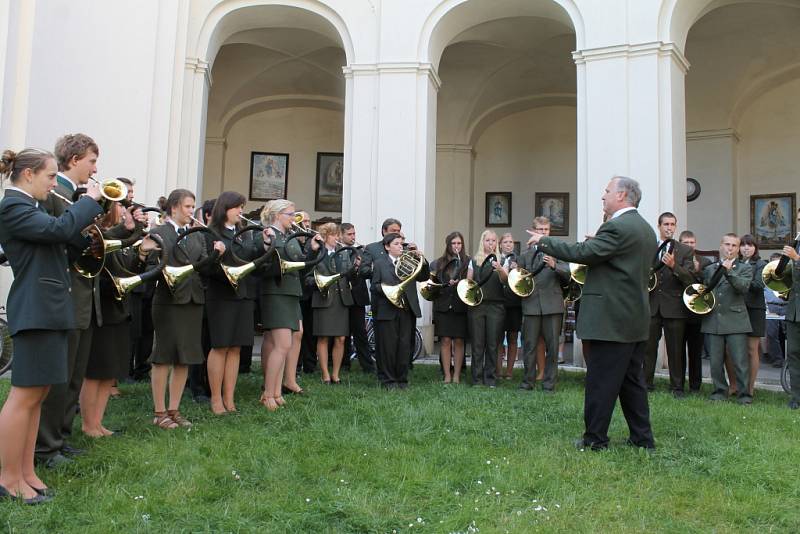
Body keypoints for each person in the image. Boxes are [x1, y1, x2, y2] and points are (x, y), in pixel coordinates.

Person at [0, 148, 103, 502]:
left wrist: (84, 237)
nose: (52, 184)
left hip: (50, 307)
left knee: (39, 394)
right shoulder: (13, 205)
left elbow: (59, 242)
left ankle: (26, 472)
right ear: (28, 175)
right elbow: (58, 229)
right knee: (23, 396)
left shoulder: (33, 206)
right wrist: (88, 202)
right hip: (35, 309)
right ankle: (7, 477)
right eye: (48, 176)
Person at [527, 176, 656, 450]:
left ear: (621, 195)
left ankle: (595, 439)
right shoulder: (644, 228)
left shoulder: (617, 227)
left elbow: (584, 252)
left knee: (601, 382)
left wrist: (544, 241)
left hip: (611, 320)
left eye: (607, 191)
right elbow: (614, 260)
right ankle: (642, 438)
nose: (603, 195)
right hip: (633, 318)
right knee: (632, 382)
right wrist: (598, 245)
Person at [36, 133, 100, 467]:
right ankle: (46, 445)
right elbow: (62, 234)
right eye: (91, 161)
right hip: (66, 289)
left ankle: (61, 435)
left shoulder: (72, 195)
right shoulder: (56, 192)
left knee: (75, 371)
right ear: (74, 159)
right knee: (61, 374)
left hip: (81, 290)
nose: (94, 168)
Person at [147, 189, 225, 429]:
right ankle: (159, 412)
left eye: (193, 207)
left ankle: (174, 408)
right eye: (188, 207)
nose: (192, 211)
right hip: (168, 301)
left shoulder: (196, 235)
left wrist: (216, 255)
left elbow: (203, 268)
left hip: (192, 299)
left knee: (185, 358)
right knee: (163, 357)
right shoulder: (159, 232)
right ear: (173, 208)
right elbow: (151, 264)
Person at [80, 201, 151, 436]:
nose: (124, 211)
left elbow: (129, 270)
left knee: (108, 372)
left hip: (120, 309)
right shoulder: (97, 234)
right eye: (121, 207)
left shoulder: (118, 240)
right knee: (96, 372)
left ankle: (98, 422)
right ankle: (89, 425)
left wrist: (141, 253)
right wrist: (131, 229)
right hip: (104, 310)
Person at [259, 200, 322, 410]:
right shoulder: (269, 234)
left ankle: (276, 391)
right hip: (276, 291)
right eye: (290, 214)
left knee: (292, 337)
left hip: (291, 291)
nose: (294, 218)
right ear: (278, 215)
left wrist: (312, 250)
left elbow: (301, 265)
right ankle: (268, 393)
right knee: (282, 344)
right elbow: (265, 265)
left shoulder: (289, 236)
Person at [205, 191, 259, 414]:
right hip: (221, 295)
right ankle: (216, 398)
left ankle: (229, 397)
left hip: (242, 295)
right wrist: (218, 255)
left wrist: (263, 244)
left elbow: (250, 259)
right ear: (225, 208)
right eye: (237, 207)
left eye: (242, 207)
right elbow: (206, 268)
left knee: (236, 347)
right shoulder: (211, 233)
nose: (241, 211)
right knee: (220, 347)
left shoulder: (242, 234)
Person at [644, 212, 695, 397]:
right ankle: (646, 383)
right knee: (648, 348)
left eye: (672, 224)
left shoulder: (685, 250)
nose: (669, 227)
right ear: (659, 226)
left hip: (674, 307)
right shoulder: (649, 248)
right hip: (652, 305)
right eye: (666, 224)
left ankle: (677, 387)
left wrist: (674, 266)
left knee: (676, 350)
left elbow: (691, 279)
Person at [369, 233, 429, 388]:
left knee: (404, 345)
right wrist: (389, 291)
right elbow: (374, 286)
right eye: (396, 244)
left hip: (406, 308)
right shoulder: (380, 263)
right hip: (387, 309)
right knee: (388, 346)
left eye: (401, 244)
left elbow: (424, 276)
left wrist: (422, 259)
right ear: (387, 246)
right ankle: (388, 379)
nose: (400, 247)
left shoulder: (411, 260)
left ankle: (402, 379)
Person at [518, 217, 570, 392]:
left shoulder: (557, 251)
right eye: (540, 230)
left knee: (553, 347)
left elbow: (568, 274)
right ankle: (527, 382)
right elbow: (518, 280)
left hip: (553, 305)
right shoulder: (525, 254)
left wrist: (555, 265)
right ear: (533, 231)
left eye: (546, 230)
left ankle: (549, 384)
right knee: (529, 346)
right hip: (531, 304)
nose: (543, 233)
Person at [701, 234, 753, 404]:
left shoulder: (744, 268)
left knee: (740, 361)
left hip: (735, 319)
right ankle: (719, 392)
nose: (730, 248)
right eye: (727, 244)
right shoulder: (710, 269)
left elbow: (743, 288)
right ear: (721, 246)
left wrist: (729, 272)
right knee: (715, 362)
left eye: (734, 245)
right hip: (714, 319)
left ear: (738, 249)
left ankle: (744, 395)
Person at [306, 223, 353, 384]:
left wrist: (357, 265)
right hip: (324, 299)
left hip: (341, 300)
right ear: (325, 237)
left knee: (340, 338)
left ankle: (336, 374)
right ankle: (325, 373)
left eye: (337, 235)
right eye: (334, 235)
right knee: (323, 338)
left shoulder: (343, 254)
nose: (338, 238)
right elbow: (307, 278)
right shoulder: (317, 253)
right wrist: (320, 283)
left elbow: (349, 276)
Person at [359, 218, 403, 382]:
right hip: (382, 301)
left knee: (401, 341)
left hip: (401, 303)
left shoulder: (402, 248)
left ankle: (400, 373)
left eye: (398, 231)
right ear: (384, 231)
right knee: (384, 342)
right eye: (393, 230)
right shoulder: (372, 248)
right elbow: (363, 270)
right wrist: (382, 272)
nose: (396, 233)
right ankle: (383, 374)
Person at [467, 229, 508, 387]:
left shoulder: (502, 260)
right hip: (477, 306)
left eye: (493, 241)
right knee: (477, 343)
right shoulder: (474, 261)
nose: (490, 243)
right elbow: (468, 282)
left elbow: (505, 281)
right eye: (487, 240)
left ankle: (490, 378)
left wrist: (500, 269)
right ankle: (476, 379)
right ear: (482, 242)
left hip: (496, 306)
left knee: (492, 343)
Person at [430, 231, 469, 384]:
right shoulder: (439, 263)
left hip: (461, 305)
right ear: (448, 245)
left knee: (459, 341)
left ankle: (457, 375)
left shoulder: (468, 261)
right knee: (445, 340)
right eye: (453, 243)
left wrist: (461, 282)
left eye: (459, 243)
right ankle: (447, 374)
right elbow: (432, 285)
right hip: (444, 305)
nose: (456, 246)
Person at [678, 230, 712, 392]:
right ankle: (678, 384)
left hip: (697, 313)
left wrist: (698, 272)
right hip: (678, 312)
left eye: (692, 242)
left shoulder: (704, 261)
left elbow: (707, 285)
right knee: (678, 352)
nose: (690, 245)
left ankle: (695, 385)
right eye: (686, 243)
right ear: (680, 244)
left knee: (695, 352)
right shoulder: (676, 260)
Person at [341, 223, 375, 374]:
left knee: (360, 333)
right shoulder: (337, 250)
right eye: (349, 234)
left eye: (354, 234)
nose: (353, 237)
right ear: (341, 235)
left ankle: (367, 366)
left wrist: (359, 267)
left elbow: (366, 273)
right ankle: (343, 364)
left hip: (357, 296)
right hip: (341, 296)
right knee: (342, 333)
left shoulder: (361, 251)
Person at [738, 234, 767, 396]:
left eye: (750, 245)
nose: (746, 248)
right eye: (743, 245)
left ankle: (750, 387)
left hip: (755, 309)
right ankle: (735, 385)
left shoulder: (761, 264)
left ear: (755, 248)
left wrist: (738, 279)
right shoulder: (736, 263)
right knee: (734, 348)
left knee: (751, 349)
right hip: (737, 309)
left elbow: (758, 285)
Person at [779, 214, 800, 409]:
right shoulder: (797, 243)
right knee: (793, 354)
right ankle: (796, 398)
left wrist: (797, 259)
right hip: (794, 310)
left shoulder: (797, 252)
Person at [497, 233, 521, 380]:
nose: (508, 244)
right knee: (498, 338)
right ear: (500, 244)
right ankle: (498, 371)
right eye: (505, 242)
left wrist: (517, 269)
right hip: (499, 302)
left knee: (513, 337)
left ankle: (510, 372)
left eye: (511, 242)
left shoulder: (519, 259)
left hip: (514, 303)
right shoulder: (495, 259)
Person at [764, 252, 787, 368]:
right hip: (771, 307)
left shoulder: (788, 276)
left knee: (788, 334)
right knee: (772, 334)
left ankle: (789, 359)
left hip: (786, 306)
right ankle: (777, 359)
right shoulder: (765, 276)